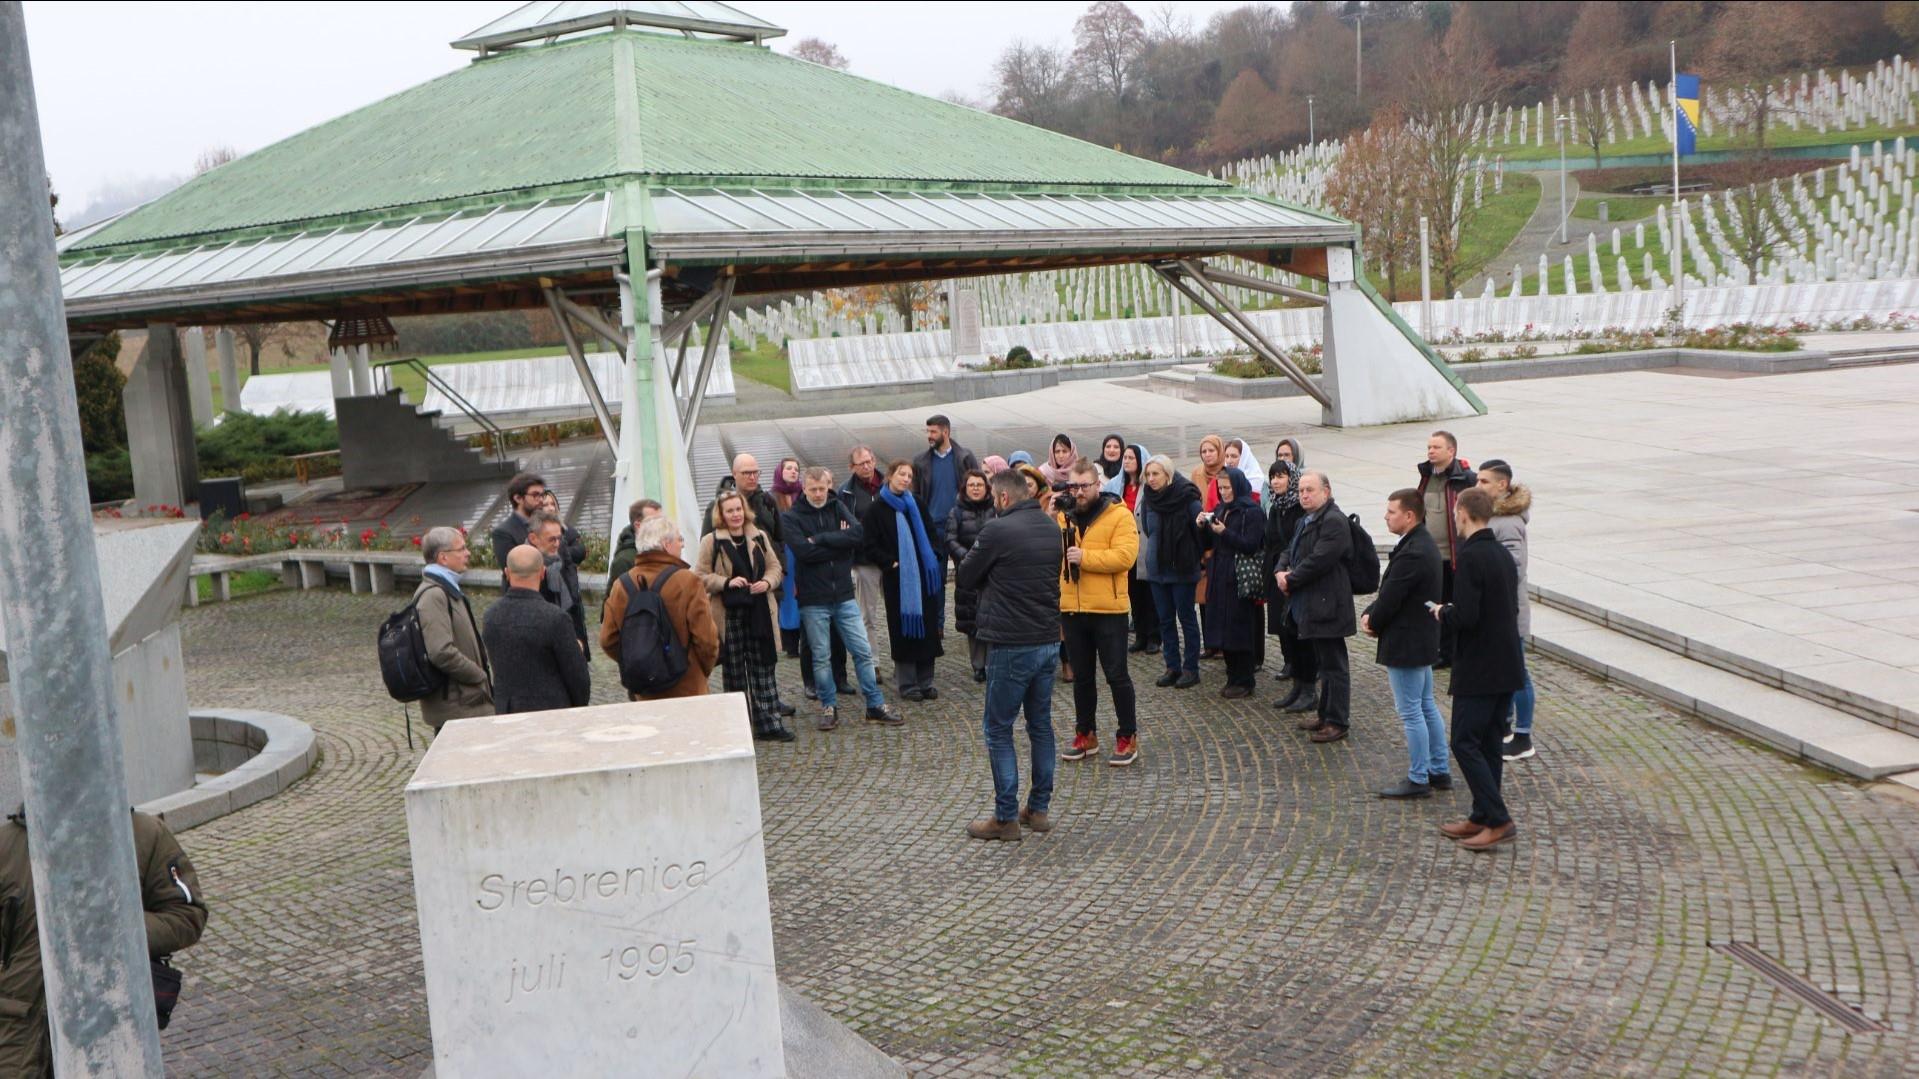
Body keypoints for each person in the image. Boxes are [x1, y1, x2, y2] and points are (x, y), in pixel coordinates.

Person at [0, 806, 207, 1075]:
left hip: (114, 1023)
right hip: (24, 1030)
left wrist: (119, 930)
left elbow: (187, 914)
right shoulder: (7, 846)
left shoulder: (143, 834)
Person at [958, 470, 1064, 841]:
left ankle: (1005, 817)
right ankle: (1038, 808)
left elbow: (967, 576)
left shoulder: (997, 531)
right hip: (1048, 638)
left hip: (1011, 641)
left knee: (999, 728)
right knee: (1040, 725)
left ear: (1003, 498)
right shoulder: (1052, 528)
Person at [1435, 487, 1525, 852]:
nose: (1454, 518)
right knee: (1487, 743)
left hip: (1480, 666)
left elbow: (1467, 616)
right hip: (1505, 664)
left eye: (1456, 512)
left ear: (1464, 513)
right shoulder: (1501, 553)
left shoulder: (1471, 557)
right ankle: (1481, 814)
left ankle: (1498, 818)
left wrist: (1443, 612)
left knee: (1463, 741)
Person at [784, 467, 900, 729]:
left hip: (844, 595)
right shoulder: (791, 517)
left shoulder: (837, 506)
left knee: (862, 651)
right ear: (804, 489)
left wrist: (822, 540)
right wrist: (839, 545)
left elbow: (858, 535)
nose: (817, 494)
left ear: (829, 486)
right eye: (812, 489)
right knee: (822, 656)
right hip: (814, 599)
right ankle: (828, 706)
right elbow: (803, 552)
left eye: (821, 489)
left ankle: (874, 704)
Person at [1054, 457, 1141, 766]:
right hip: (1073, 607)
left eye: (1083, 486)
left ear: (1097, 485)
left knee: (1117, 675)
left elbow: (1125, 557)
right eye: (1072, 486)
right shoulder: (1064, 517)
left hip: (1108, 608)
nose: (1077, 492)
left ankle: (1127, 735)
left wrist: (1085, 557)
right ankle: (1085, 733)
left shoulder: (1120, 516)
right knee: (1082, 678)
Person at [1361, 491, 1448, 799]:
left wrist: (1372, 619)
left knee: (1412, 710)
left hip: (1407, 641)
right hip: (1420, 638)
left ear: (1409, 516)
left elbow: (1391, 596)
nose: (1386, 516)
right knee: (1425, 705)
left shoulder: (1414, 551)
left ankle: (1420, 776)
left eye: (1391, 511)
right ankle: (1439, 769)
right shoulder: (1421, 544)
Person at [695, 490, 792, 741]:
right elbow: (700, 576)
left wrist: (767, 583)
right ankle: (738, 727)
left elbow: (775, 567)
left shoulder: (758, 536)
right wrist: (726, 582)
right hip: (730, 616)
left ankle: (770, 724)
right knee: (735, 674)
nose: (736, 515)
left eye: (738, 509)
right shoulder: (711, 541)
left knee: (763, 669)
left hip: (759, 611)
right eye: (730, 511)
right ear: (722, 514)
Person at [1274, 471, 1355, 743]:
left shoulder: (1334, 521)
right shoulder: (1306, 519)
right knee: (1325, 662)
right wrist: (1279, 571)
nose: (1304, 495)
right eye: (1302, 491)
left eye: (1310, 490)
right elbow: (1290, 550)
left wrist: (1290, 580)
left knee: (1335, 665)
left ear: (1326, 491)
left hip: (1329, 603)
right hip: (1312, 601)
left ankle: (1338, 720)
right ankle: (1325, 714)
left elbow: (1320, 560)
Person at [599, 516, 718, 699]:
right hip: (688, 688)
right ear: (666, 544)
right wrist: (700, 671)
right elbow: (707, 641)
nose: (683, 545)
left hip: (645, 692)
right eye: (680, 539)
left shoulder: (621, 585)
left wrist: (641, 660)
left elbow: (608, 640)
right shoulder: (688, 581)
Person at [864, 460, 945, 700]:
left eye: (909, 476)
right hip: (898, 580)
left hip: (924, 577)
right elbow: (868, 544)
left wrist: (932, 554)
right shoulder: (877, 509)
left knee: (928, 629)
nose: (906, 479)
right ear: (890, 476)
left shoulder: (916, 503)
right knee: (904, 630)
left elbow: (931, 533)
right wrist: (890, 562)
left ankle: (926, 681)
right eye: (902, 474)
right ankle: (907, 684)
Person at [484, 544, 592, 714]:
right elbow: (578, 679)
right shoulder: (556, 618)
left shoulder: (491, 616)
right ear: (542, 573)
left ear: (507, 573)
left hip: (507, 712)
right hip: (551, 713)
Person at [1477, 460, 1537, 762]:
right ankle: (1506, 728)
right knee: (1505, 671)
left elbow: (1513, 566)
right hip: (1499, 609)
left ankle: (1523, 737)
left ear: (1502, 485)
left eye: (1485, 482)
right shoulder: (1494, 517)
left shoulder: (1508, 521)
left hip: (1509, 611)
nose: (1478, 486)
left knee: (1518, 674)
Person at [413, 526, 493, 730]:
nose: (467, 553)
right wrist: (479, 675)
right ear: (443, 558)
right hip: (458, 706)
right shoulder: (434, 595)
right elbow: (440, 652)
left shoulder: (446, 589)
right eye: (461, 549)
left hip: (466, 702)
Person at [1198, 466, 1265, 698]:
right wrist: (1203, 526)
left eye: (1227, 487)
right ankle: (1231, 675)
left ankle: (1245, 679)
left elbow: (1251, 544)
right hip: (1219, 573)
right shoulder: (1221, 508)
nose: (1224, 492)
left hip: (1238, 575)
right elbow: (1210, 541)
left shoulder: (1252, 511)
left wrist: (1224, 532)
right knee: (1222, 626)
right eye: (1221, 487)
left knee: (1239, 628)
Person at [1138, 455, 1203, 689]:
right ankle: (1172, 666)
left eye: (1156, 474)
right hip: (1157, 568)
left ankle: (1190, 668)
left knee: (1186, 619)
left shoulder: (1186, 496)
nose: (1151, 479)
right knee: (1165, 620)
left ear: (1168, 474)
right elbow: (1147, 528)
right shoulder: (1149, 498)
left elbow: (1199, 529)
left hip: (1182, 567)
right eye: (1148, 475)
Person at [1417, 431, 1477, 668]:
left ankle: (1452, 652)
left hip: (1455, 554)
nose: (1431, 451)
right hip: (1432, 555)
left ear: (1451, 451)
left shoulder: (1467, 479)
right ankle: (1439, 649)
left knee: (1452, 602)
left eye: (1436, 447)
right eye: (1429, 447)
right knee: (1434, 602)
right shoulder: (1426, 477)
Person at [1265, 460, 1318, 711]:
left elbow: (1302, 546)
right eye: (1273, 476)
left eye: (1281, 476)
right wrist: (1277, 570)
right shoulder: (1276, 506)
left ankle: (1308, 688)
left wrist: (1289, 573)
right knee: (1285, 628)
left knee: (1300, 633)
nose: (1276, 481)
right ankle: (1297, 684)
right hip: (1279, 573)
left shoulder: (1300, 508)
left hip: (1298, 578)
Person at [946, 469, 995, 683]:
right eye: (971, 485)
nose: (975, 488)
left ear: (986, 488)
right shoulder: (955, 512)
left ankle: (993, 663)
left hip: (993, 572)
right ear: (965, 489)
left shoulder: (995, 510)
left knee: (993, 619)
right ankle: (978, 665)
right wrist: (967, 559)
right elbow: (950, 539)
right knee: (972, 620)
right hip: (967, 572)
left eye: (979, 484)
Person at [839, 445, 887, 660]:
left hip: (890, 557)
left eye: (869, 461)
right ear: (852, 467)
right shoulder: (845, 492)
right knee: (867, 615)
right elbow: (845, 525)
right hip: (864, 559)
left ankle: (902, 661)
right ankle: (872, 661)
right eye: (861, 464)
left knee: (897, 611)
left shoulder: (888, 485)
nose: (867, 466)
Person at [1113, 443, 1159, 654]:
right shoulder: (1119, 486)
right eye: (1125, 458)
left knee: (1150, 593)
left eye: (1131, 458)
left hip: (1146, 545)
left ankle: (1153, 636)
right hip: (1127, 545)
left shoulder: (1148, 486)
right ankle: (1140, 634)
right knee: (1133, 592)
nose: (1127, 461)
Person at [530, 511, 589, 654]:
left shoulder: (561, 560)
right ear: (534, 538)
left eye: (559, 538)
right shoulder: (525, 568)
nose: (557, 544)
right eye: (551, 539)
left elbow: (572, 603)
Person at [490, 472, 547, 568]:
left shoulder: (547, 523)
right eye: (535, 495)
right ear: (518, 498)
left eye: (542, 495)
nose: (541, 500)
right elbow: (514, 568)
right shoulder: (503, 533)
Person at [606, 498, 663, 589]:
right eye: (654, 522)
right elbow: (615, 599)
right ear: (638, 526)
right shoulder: (624, 561)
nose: (662, 526)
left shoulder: (663, 547)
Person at [541, 490, 587, 568]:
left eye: (553, 504)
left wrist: (559, 552)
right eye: (545, 505)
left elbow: (580, 551)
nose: (551, 508)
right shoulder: (533, 531)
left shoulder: (565, 529)